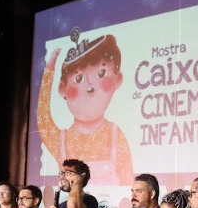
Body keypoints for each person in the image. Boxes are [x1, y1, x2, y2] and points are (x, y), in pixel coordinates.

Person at [36, 27, 134, 185]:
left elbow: (127, 181)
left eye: (101, 73)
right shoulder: (61, 139)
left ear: (117, 79)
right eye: (79, 78)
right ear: (62, 88)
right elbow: (43, 118)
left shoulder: (116, 136)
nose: (90, 84)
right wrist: (49, 72)